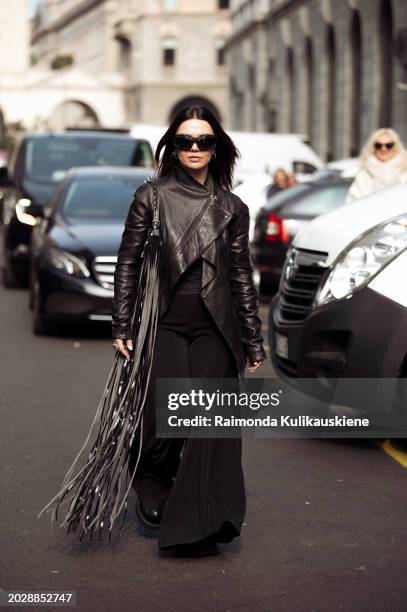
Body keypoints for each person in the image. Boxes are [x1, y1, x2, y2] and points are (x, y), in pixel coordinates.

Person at [111, 105, 267, 557]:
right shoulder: (151, 197)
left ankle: (201, 522)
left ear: (217, 148)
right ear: (172, 147)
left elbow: (241, 275)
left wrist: (253, 337)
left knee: (210, 427)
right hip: (166, 325)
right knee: (162, 422)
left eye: (203, 141)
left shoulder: (233, 208)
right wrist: (123, 320)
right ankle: (153, 482)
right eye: (184, 141)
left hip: (218, 328)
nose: (194, 148)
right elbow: (128, 262)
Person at [346, 127, 407, 203]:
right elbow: (352, 201)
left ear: (395, 147)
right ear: (373, 147)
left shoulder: (404, 171)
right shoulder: (364, 175)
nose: (383, 149)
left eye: (389, 145)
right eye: (378, 145)